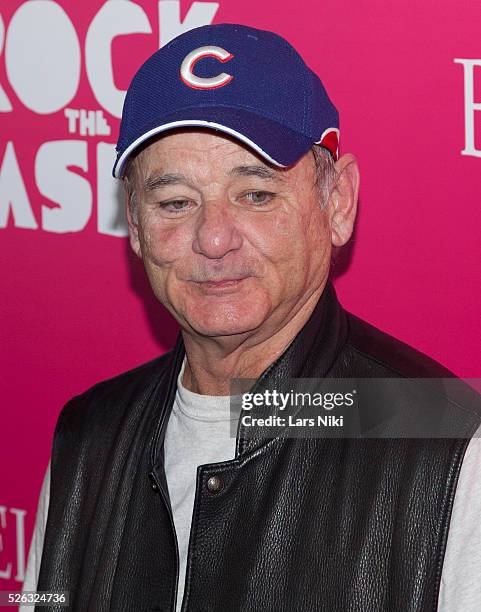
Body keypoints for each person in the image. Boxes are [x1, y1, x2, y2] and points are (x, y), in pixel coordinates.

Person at [23, 23, 481, 611]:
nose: (214, 239)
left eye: (256, 195)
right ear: (135, 227)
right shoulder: (87, 440)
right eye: (175, 202)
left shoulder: (449, 449)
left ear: (336, 202)